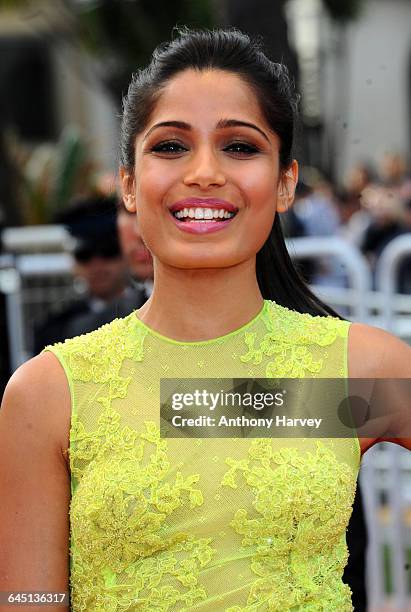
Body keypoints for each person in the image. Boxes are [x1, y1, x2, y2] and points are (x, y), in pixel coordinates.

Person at [1, 28, 410, 612]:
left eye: (240, 147)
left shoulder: (350, 373)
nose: (204, 173)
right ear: (129, 185)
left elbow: (218, 408)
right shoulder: (49, 395)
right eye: (170, 146)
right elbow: (28, 598)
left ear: (286, 182)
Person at [33, 195, 130, 353]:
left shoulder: (150, 315)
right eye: (84, 255)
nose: (97, 265)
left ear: (125, 254)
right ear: (74, 263)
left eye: (108, 252)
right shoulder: (54, 329)